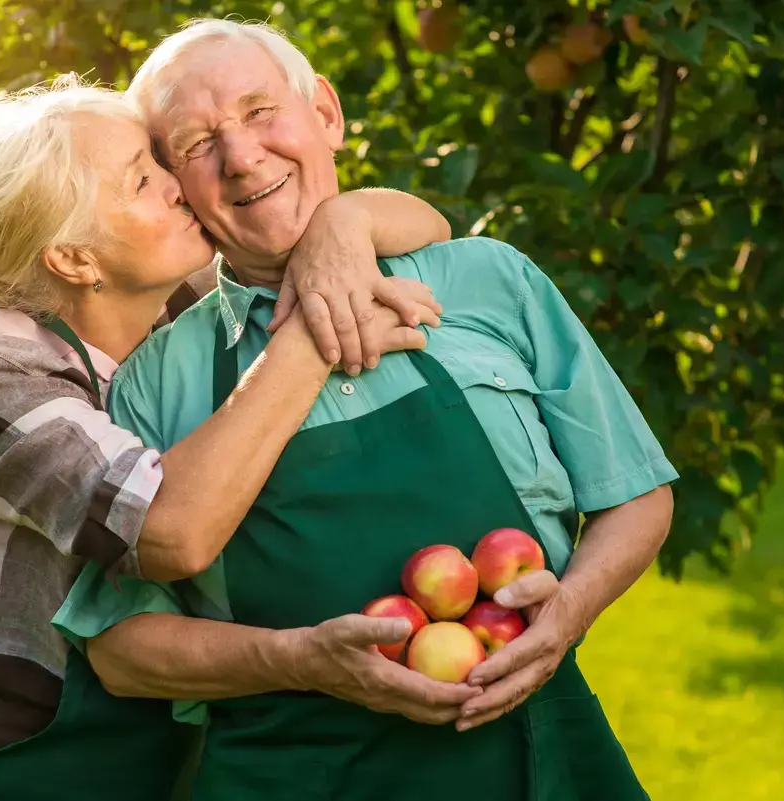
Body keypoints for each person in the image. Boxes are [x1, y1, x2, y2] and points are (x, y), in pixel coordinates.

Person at [55, 18, 679, 801]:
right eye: (196, 142)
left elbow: (636, 493)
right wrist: (297, 659)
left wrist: (569, 613)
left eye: (259, 111)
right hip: (287, 773)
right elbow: (120, 647)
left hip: (533, 757)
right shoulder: (155, 379)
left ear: (325, 113)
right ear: (178, 184)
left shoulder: (488, 280)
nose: (242, 156)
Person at [0, 74, 461, 801]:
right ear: (76, 258)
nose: (179, 186)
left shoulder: (175, 308)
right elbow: (171, 533)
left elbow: (431, 225)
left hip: (140, 737)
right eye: (144, 180)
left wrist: (345, 226)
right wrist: (312, 333)